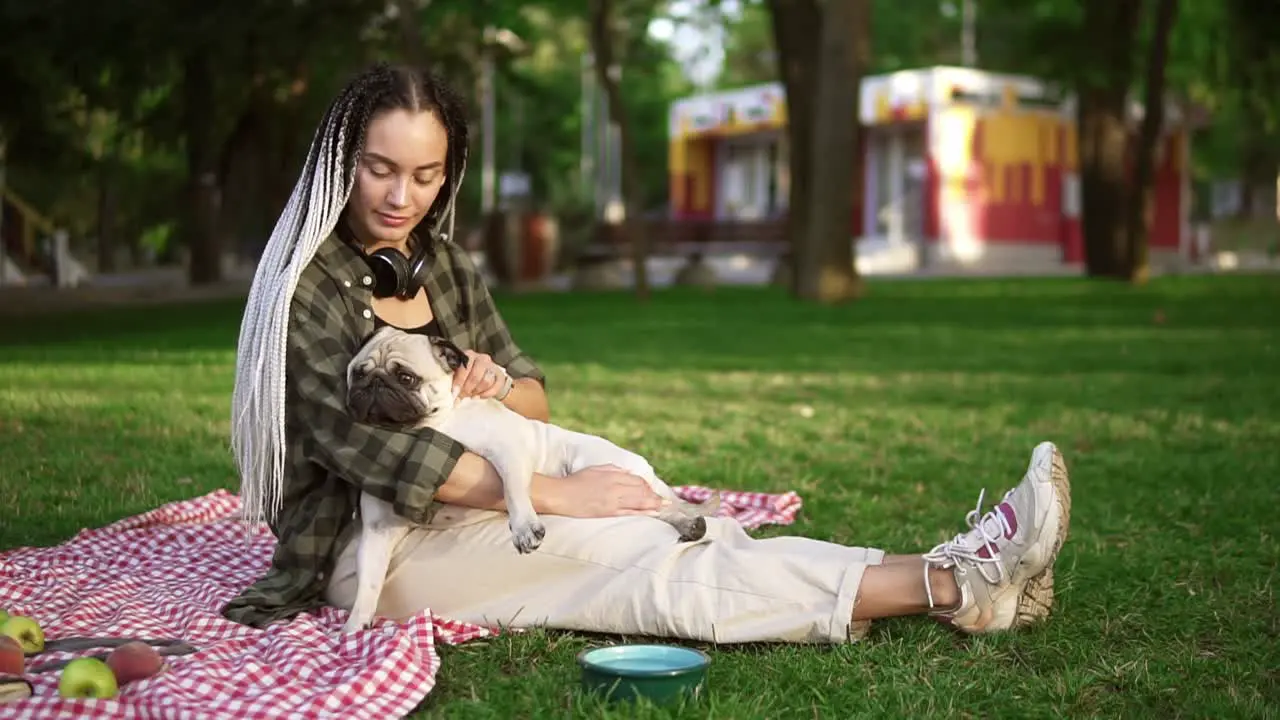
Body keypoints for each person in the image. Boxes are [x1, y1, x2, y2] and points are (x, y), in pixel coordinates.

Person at [222, 62, 1072, 644]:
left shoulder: (444, 267)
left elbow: (533, 402)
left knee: (669, 534)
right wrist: (564, 496)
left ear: (449, 174)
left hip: (486, 500)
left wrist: (494, 384)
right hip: (367, 549)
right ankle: (959, 585)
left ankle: (960, 574)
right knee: (636, 562)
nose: (402, 197)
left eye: (426, 174)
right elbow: (375, 451)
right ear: (343, 161)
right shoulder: (305, 290)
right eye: (379, 170)